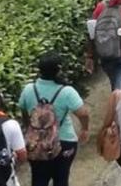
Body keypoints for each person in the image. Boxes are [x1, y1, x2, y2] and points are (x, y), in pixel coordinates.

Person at [18, 54, 90, 186]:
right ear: (58, 70)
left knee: (38, 179)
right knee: (61, 178)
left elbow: (23, 111)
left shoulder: (29, 89)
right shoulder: (66, 91)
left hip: (35, 144)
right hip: (64, 142)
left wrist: (32, 129)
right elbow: (83, 113)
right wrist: (84, 129)